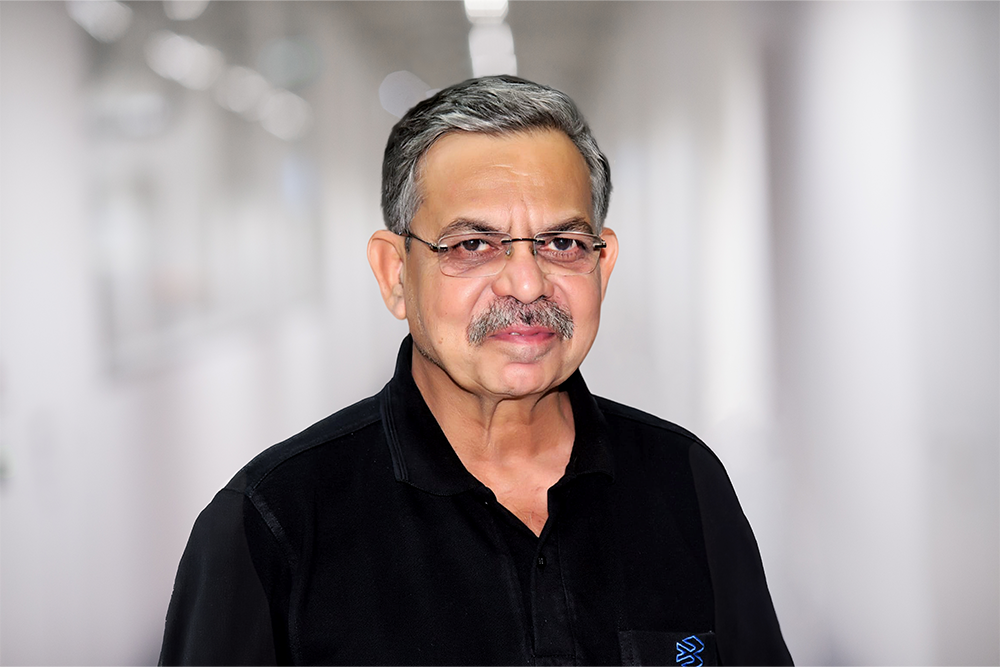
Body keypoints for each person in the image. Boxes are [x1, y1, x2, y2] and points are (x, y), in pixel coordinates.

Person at [159, 75, 792, 666]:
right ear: (395, 274)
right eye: (473, 245)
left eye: (563, 243)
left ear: (602, 264)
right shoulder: (274, 524)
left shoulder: (685, 482)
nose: (527, 283)